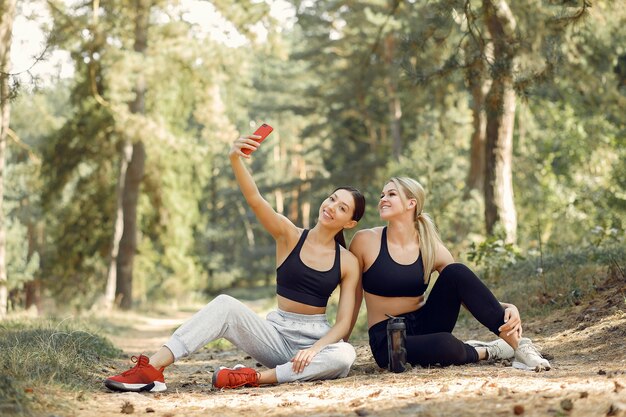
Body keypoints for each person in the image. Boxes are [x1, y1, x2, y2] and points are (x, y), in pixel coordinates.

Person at [104, 129, 365, 392]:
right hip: (275, 338)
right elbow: (255, 200)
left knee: (344, 355)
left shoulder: (347, 262)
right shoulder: (289, 235)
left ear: (350, 222)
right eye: (332, 199)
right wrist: (235, 160)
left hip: (316, 343)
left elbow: (343, 324)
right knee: (224, 305)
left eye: (342, 208)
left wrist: (315, 349)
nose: (331, 207)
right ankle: (152, 369)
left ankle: (251, 378)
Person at [348, 177, 550, 372]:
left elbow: (465, 290)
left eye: (391, 194)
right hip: (387, 337)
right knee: (445, 344)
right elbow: (353, 299)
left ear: (411, 203)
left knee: (456, 271)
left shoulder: (430, 247)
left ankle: (520, 348)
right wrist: (343, 345)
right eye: (382, 195)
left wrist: (506, 308)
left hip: (425, 323)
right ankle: (489, 350)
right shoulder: (365, 241)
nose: (383, 199)